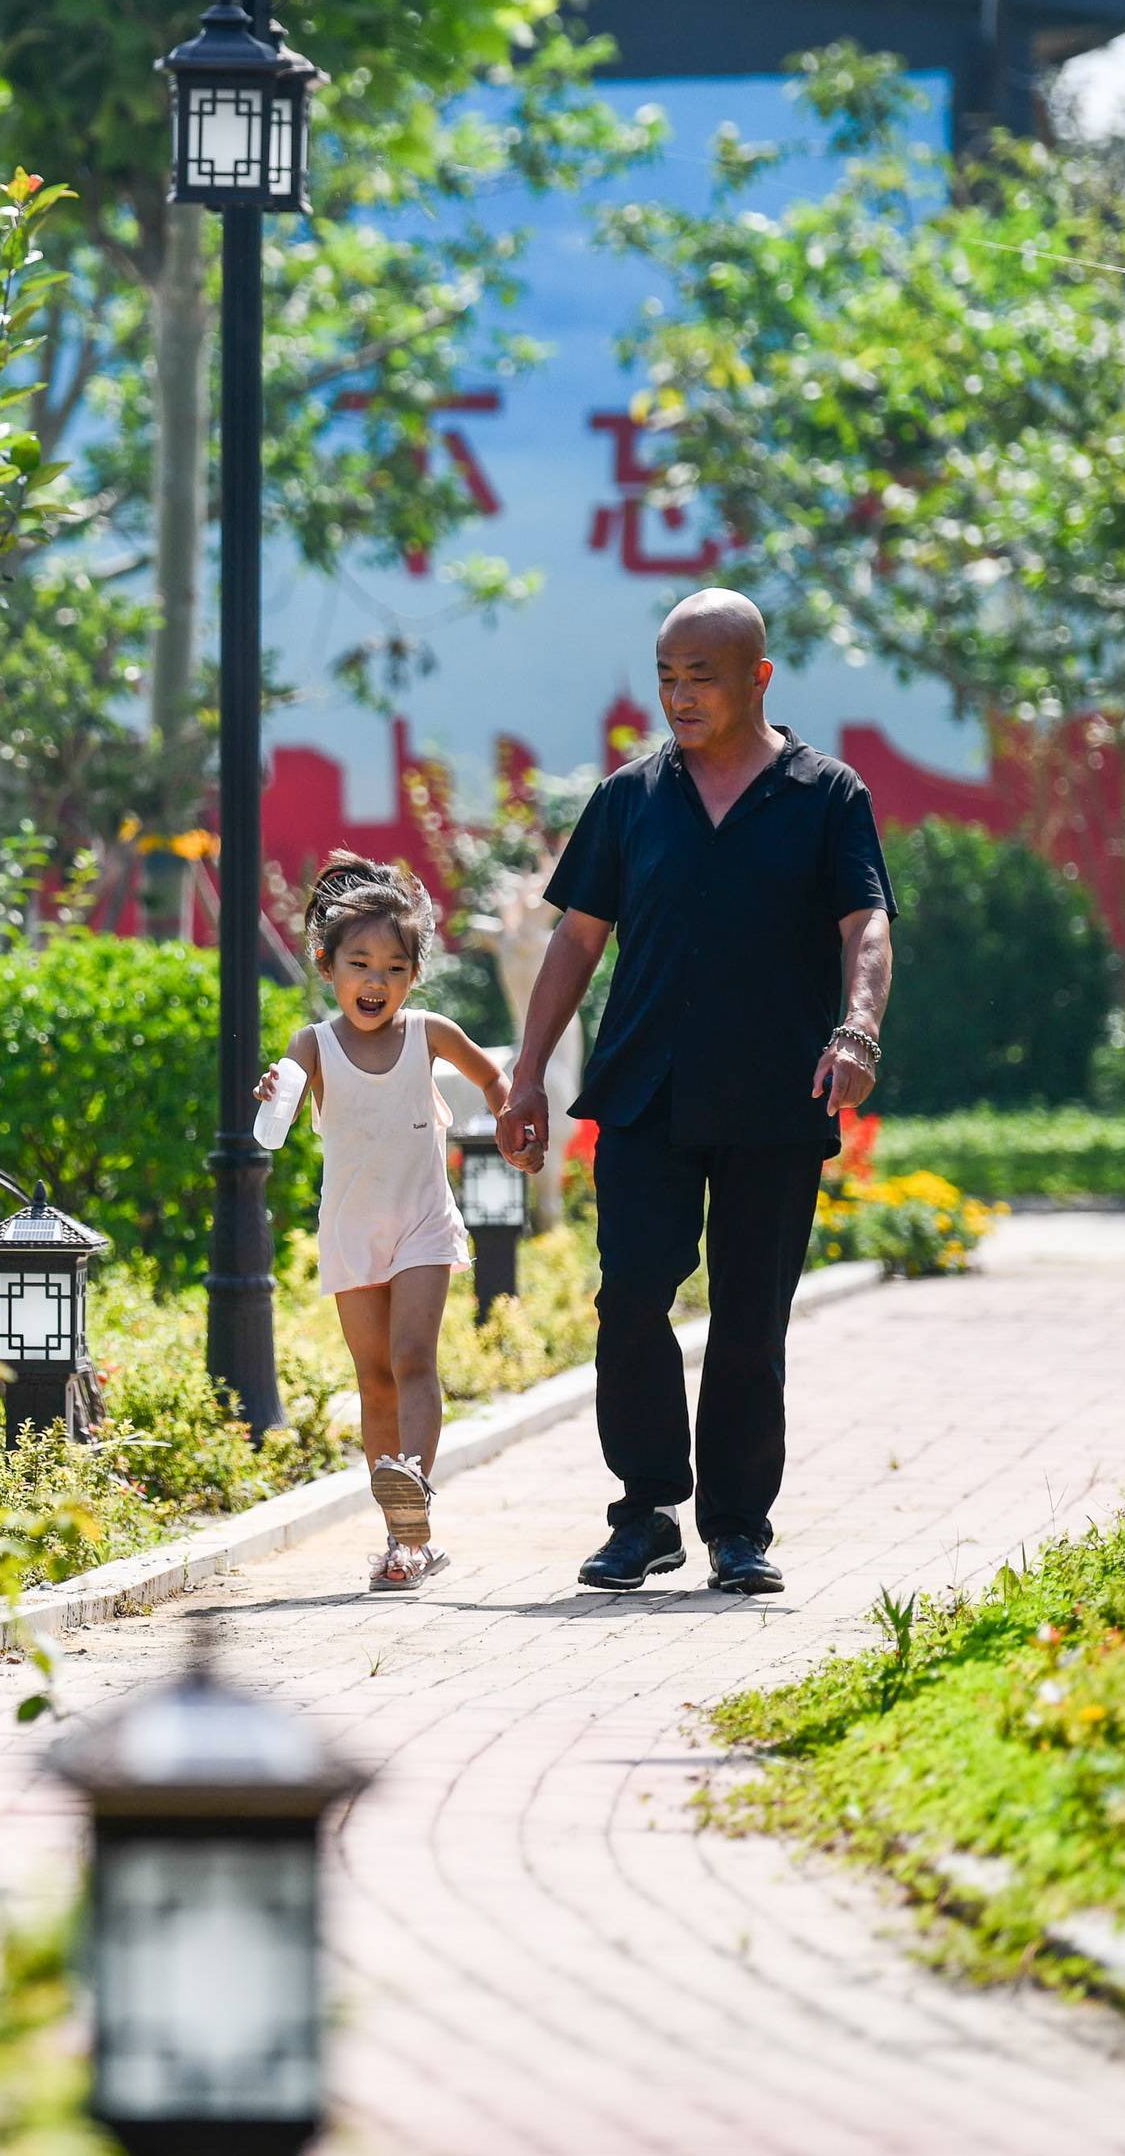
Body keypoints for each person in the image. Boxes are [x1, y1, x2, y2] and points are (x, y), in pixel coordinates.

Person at [496, 590, 895, 1598]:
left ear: (757, 677)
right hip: (646, 1088)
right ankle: (644, 1510)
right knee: (630, 1292)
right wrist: (527, 1069)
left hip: (774, 1088)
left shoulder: (826, 794)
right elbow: (576, 940)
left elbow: (866, 927)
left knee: (751, 1317)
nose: (677, 694)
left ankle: (737, 1526)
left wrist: (857, 1028)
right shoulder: (630, 798)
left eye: (699, 675)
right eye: (666, 675)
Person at [257, 854, 510, 1590]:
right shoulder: (313, 1045)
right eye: (360, 964)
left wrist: (512, 1124)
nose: (377, 982)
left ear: (414, 974)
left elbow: (493, 1078)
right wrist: (274, 1089)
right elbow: (274, 1111)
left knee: (413, 1363)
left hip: (423, 1225)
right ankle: (401, 1540)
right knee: (373, 1384)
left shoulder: (430, 1033)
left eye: (395, 968)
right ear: (326, 965)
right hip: (350, 1232)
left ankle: (414, 1513)